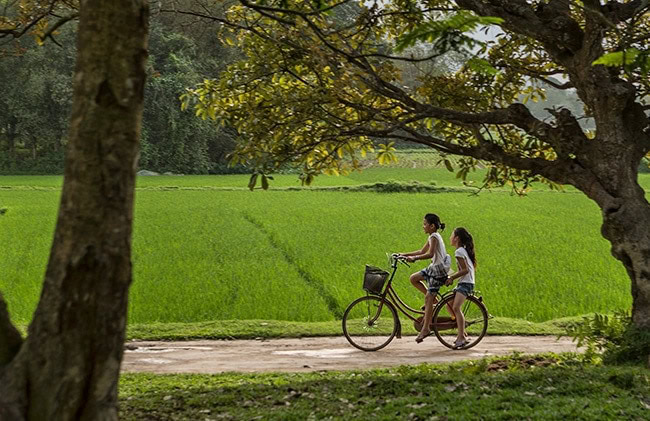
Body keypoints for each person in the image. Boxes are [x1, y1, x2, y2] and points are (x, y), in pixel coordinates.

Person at [397, 213, 451, 343]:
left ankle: (426, 328)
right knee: (413, 278)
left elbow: (430, 254)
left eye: (425, 224)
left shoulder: (434, 237)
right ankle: (434, 300)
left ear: (432, 226)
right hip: (434, 267)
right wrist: (403, 255)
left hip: (437, 270)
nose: (423, 226)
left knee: (428, 297)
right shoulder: (432, 236)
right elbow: (421, 251)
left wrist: (414, 259)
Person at [445, 227, 477, 349]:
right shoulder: (462, 250)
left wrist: (451, 278)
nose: (450, 238)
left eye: (451, 235)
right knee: (449, 304)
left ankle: (461, 338)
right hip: (465, 282)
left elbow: (465, 270)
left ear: (456, 238)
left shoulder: (459, 252)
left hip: (466, 283)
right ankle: (462, 331)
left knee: (456, 307)